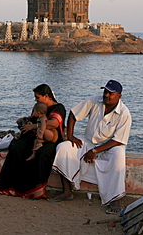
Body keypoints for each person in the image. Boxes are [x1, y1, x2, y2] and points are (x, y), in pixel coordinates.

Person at [51, 80, 132, 215]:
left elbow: (118, 140)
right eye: (105, 91)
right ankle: (67, 192)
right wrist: (70, 136)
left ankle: (114, 199)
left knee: (119, 155)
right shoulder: (95, 101)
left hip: (109, 147)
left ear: (119, 96)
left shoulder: (124, 113)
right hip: (88, 142)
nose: (106, 95)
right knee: (63, 148)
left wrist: (94, 151)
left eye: (111, 93)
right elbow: (73, 114)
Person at [0, 84, 66, 199]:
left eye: (37, 97)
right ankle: (13, 187)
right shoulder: (38, 107)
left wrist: (34, 126)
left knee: (42, 153)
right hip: (34, 136)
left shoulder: (58, 108)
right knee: (17, 149)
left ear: (46, 96)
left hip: (50, 140)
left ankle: (36, 190)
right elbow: (33, 119)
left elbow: (54, 123)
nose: (35, 99)